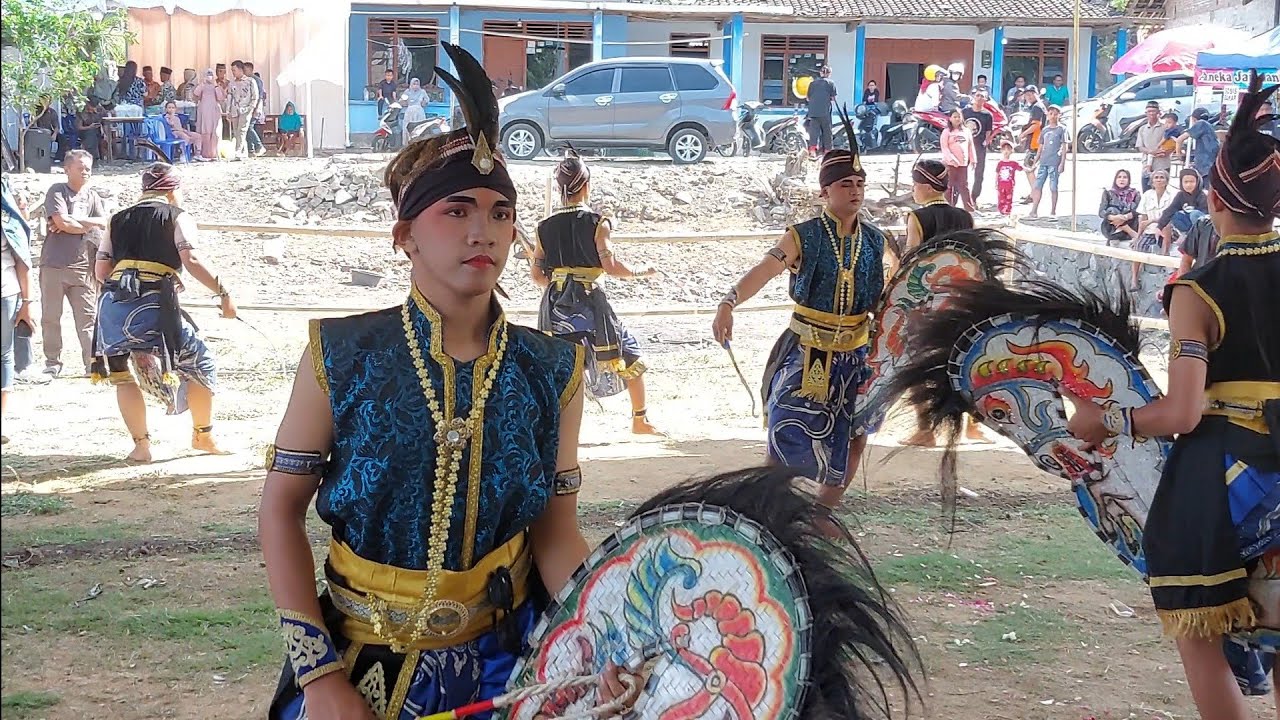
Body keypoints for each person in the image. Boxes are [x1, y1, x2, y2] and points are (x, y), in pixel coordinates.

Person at [259, 42, 642, 718]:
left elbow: (555, 534)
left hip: (511, 665)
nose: (483, 232)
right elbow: (279, 511)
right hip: (361, 667)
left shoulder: (554, 370)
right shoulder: (340, 354)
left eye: (500, 213)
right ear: (404, 234)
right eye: (457, 211)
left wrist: (601, 635)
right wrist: (319, 679)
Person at [1062, 71, 1280, 718]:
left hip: (1229, 484)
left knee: (1198, 625)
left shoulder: (1199, 291)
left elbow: (1183, 413)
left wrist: (1102, 419)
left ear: (1214, 197)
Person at [712, 109, 885, 528]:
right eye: (846, 184)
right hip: (813, 354)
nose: (856, 190)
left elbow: (888, 296)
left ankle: (824, 513)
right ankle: (778, 507)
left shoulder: (877, 241)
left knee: (855, 428)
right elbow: (765, 270)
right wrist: (729, 301)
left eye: (860, 183)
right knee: (790, 423)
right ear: (826, 191)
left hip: (857, 353)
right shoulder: (802, 235)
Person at [91, 163, 235, 462]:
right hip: (154, 303)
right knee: (200, 361)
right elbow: (191, 257)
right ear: (172, 190)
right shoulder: (177, 216)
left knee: (121, 375)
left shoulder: (116, 219)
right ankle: (202, 435)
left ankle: (141, 446)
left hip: (113, 302)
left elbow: (101, 269)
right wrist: (223, 293)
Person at [531, 151, 661, 435]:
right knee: (629, 354)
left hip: (556, 307)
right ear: (587, 185)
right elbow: (610, 265)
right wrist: (639, 272)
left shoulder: (544, 228)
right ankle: (639, 420)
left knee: (564, 367)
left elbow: (537, 275)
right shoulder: (598, 222)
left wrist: (560, 280)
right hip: (591, 303)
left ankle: (557, 430)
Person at [901, 159, 984, 446]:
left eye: (914, 184)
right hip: (963, 299)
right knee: (964, 363)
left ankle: (925, 430)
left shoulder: (917, 218)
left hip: (928, 303)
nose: (913, 190)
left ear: (924, 186)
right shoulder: (965, 217)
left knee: (917, 365)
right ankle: (973, 426)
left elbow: (910, 262)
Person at [41, 149, 107, 377]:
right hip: (54, 265)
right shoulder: (57, 191)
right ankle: (52, 362)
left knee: (88, 318)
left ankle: (92, 363)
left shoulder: (93, 196)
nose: (86, 171)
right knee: (51, 317)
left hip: (84, 267)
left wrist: (75, 222)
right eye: (80, 167)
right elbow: (61, 221)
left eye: (88, 167)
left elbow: (103, 222)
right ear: (67, 169)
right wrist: (80, 225)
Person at [2, 177, 34, 445]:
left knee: (3, 355)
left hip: (6, 294)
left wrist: (27, 303)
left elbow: (23, 262)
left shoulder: (9, 222)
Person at [1130, 168, 1174, 290]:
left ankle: (1164, 257)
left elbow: (1169, 216)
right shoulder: (1147, 195)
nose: (1159, 180)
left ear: (1166, 181)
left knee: (1166, 227)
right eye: (1156, 177)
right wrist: (1138, 236)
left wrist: (1153, 221)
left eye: (1162, 177)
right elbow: (1143, 218)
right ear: (1152, 181)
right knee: (1138, 247)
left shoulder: (1172, 196)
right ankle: (1134, 279)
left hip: (1168, 229)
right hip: (1150, 230)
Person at [1156, 168, 1208, 254]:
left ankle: (1197, 237)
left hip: (1202, 225)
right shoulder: (1180, 195)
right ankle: (1187, 235)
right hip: (1189, 226)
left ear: (1197, 182)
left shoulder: (1202, 195)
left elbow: (1206, 214)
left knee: (1194, 214)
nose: (1188, 185)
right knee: (1176, 215)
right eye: (1186, 182)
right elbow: (1170, 210)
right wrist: (1159, 226)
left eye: (1191, 182)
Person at [1029, 105, 1067, 218]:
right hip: (1043, 162)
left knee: (1053, 187)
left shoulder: (1062, 129)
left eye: (1056, 113)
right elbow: (1041, 146)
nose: (1053, 116)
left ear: (1059, 115)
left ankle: (1053, 211)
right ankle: (1034, 209)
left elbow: (1064, 146)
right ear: (1047, 115)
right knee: (1037, 186)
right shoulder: (1045, 130)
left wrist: (1062, 163)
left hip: (1054, 162)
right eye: (1051, 113)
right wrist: (1036, 160)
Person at [940, 109, 976, 211]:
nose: (957, 119)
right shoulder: (946, 132)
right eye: (954, 117)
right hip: (951, 164)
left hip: (963, 164)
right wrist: (951, 159)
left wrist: (973, 159)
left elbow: (970, 146)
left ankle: (969, 208)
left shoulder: (966, 131)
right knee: (949, 186)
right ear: (950, 118)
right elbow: (944, 148)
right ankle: (948, 207)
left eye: (959, 116)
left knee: (964, 186)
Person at [963, 89, 995, 201]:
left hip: (979, 147)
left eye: (982, 96)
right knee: (961, 171)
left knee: (979, 173)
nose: (979, 98)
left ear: (985, 99)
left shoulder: (988, 115)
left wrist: (986, 142)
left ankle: (974, 198)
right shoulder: (965, 112)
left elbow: (988, 131)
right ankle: (961, 196)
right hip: (964, 146)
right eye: (977, 95)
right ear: (973, 97)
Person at [1098, 168, 1141, 247]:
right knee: (1112, 210)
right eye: (1119, 177)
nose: (1122, 179)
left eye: (1125, 177)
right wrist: (1114, 217)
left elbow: (1138, 211)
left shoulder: (1135, 194)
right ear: (1115, 179)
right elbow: (1101, 212)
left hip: (1130, 223)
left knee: (1128, 213)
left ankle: (1125, 229)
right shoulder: (1108, 193)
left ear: (1129, 180)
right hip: (1112, 226)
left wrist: (1125, 217)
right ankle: (1125, 231)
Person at [227, 61, 258, 161]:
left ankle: (238, 151)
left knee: (242, 130)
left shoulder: (250, 81)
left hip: (245, 109)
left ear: (240, 70)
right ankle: (243, 151)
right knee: (236, 131)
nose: (233, 72)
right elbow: (229, 96)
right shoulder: (232, 83)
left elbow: (255, 96)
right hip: (235, 109)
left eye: (234, 70)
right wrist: (228, 110)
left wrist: (251, 107)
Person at [1178, 106, 1220, 178]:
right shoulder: (1209, 126)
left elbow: (1180, 139)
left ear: (1193, 119)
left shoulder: (1201, 124)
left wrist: (1179, 154)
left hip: (1205, 166)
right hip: (1211, 164)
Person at [193, 69, 225, 161]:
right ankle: (204, 153)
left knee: (215, 130)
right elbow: (196, 93)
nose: (209, 76)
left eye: (211, 74)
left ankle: (214, 153)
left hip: (214, 110)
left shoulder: (217, 86)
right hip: (204, 109)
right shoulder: (202, 85)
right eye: (207, 74)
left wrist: (215, 85)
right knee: (204, 129)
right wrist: (203, 83)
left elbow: (220, 97)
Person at [805, 65, 838, 155]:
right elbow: (833, 98)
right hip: (825, 112)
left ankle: (812, 151)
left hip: (813, 112)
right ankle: (827, 152)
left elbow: (807, 98)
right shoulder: (831, 83)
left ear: (820, 73)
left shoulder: (812, 83)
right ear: (829, 74)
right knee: (827, 132)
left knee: (814, 132)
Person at [1136, 101, 1168, 192]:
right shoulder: (1142, 129)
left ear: (1158, 113)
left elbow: (1170, 144)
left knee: (1162, 191)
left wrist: (1163, 151)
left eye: (1153, 111)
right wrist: (1151, 152)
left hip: (1162, 164)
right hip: (1147, 165)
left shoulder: (1164, 128)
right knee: (1146, 191)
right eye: (1149, 112)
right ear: (1146, 113)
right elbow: (1139, 147)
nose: (1151, 114)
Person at [244, 62, 267, 158]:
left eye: (245, 70)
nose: (244, 72)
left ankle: (259, 146)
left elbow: (260, 96)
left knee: (249, 127)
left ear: (250, 69)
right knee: (248, 127)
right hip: (251, 106)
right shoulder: (247, 80)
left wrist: (256, 107)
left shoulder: (257, 80)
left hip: (256, 106)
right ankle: (251, 150)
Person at [994, 140, 1022, 215]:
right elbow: (997, 173)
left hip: (1009, 184)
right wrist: (995, 182)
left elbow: (1021, 168)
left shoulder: (1013, 163)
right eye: (1004, 149)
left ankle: (1007, 210)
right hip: (1001, 184)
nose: (1006, 151)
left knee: (1009, 198)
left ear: (1011, 151)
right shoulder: (1000, 163)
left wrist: (1030, 169)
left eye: (1008, 149)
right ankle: (1001, 210)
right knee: (1001, 198)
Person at [400, 78, 429, 142]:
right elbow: (401, 101)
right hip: (409, 113)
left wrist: (423, 102)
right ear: (411, 84)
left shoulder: (422, 92)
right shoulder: (407, 92)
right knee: (408, 128)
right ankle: (408, 143)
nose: (415, 86)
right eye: (414, 84)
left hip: (419, 113)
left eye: (417, 84)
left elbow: (427, 100)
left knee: (420, 128)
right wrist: (406, 103)